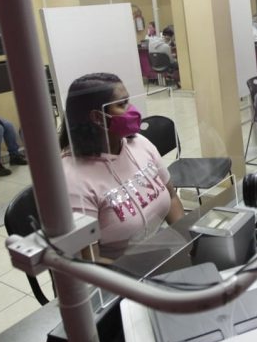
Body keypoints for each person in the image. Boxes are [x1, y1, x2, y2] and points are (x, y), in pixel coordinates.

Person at [59, 73, 184, 261]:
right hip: (120, 276)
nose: (132, 110)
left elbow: (172, 197)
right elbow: (90, 260)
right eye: (122, 104)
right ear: (98, 117)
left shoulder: (139, 143)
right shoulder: (73, 179)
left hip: (160, 252)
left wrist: (186, 241)